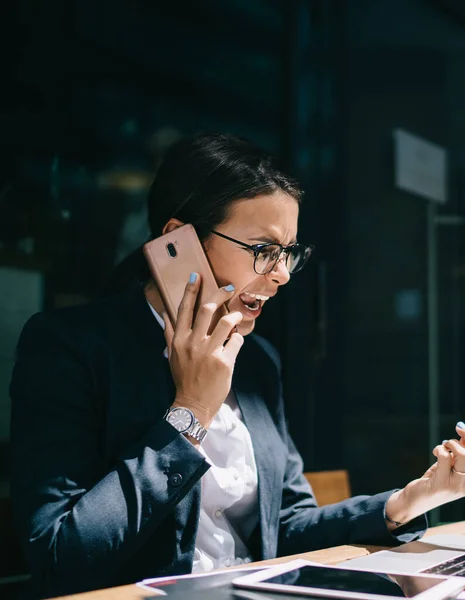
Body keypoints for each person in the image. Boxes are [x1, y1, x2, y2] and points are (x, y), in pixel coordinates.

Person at [9, 133, 465, 599]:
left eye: (287, 252)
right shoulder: (71, 348)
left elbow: (284, 525)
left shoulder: (257, 362)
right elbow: (57, 557)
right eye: (263, 250)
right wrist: (189, 414)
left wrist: (411, 500)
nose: (282, 273)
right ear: (176, 241)